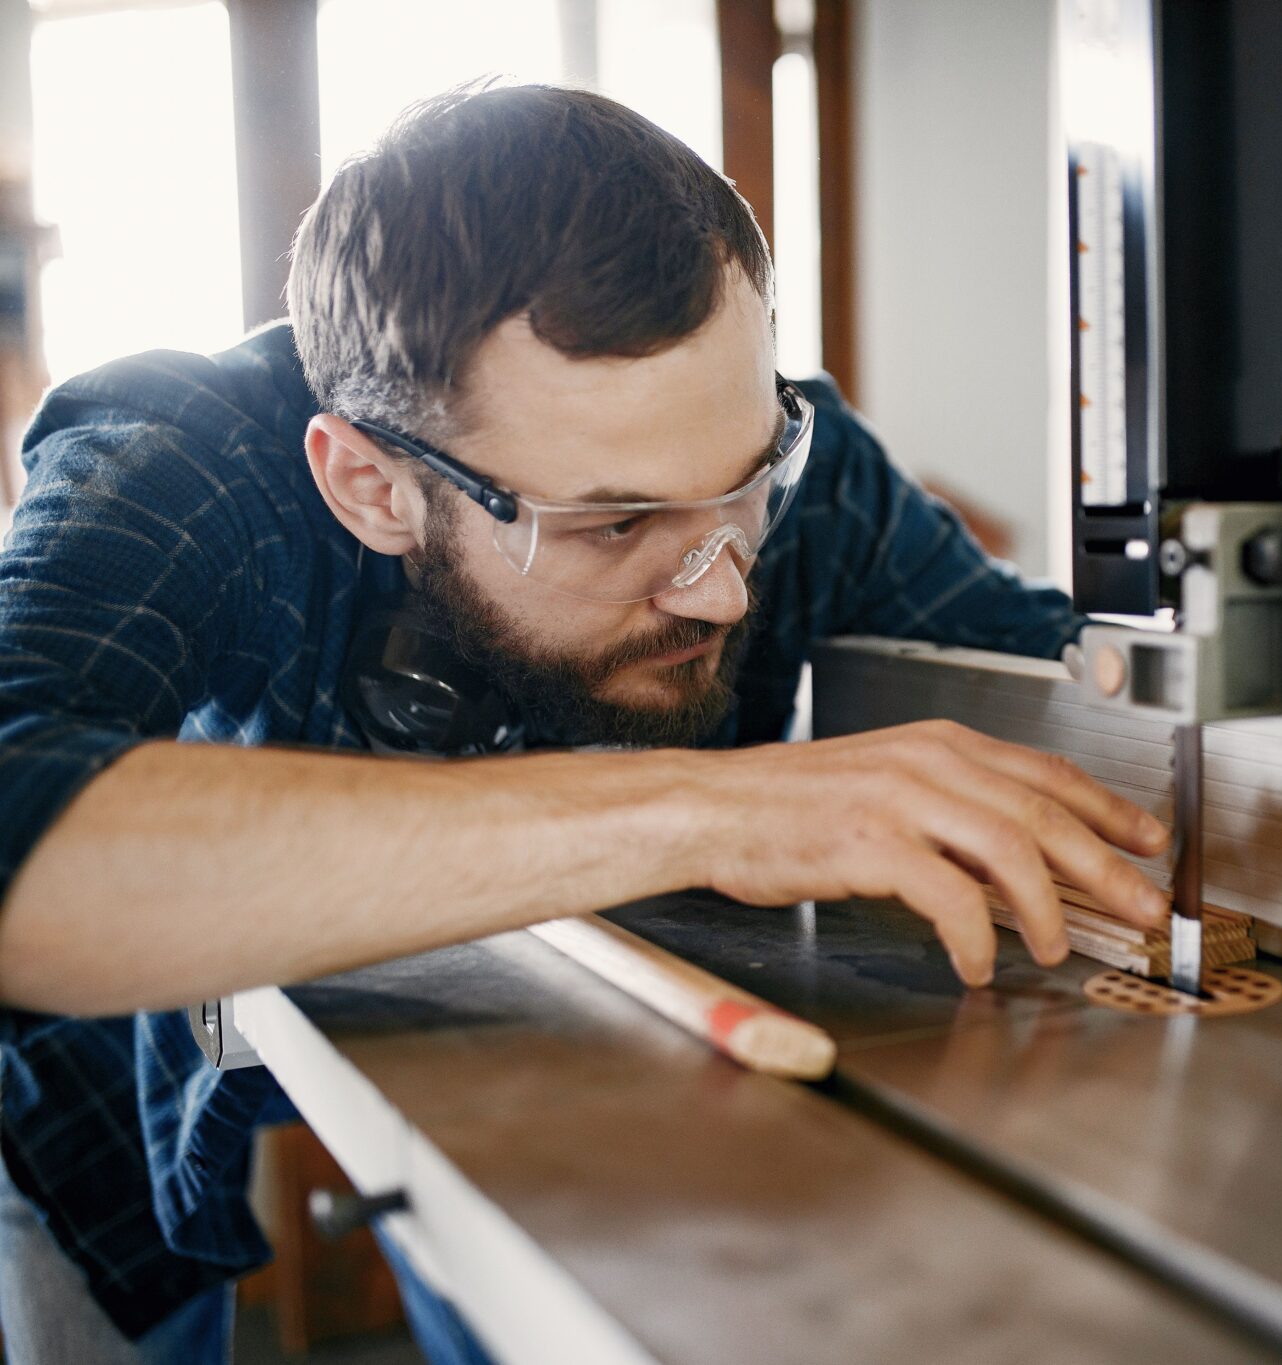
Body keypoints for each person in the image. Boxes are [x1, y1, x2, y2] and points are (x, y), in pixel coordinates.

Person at [0, 84, 1169, 1364]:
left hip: (529, 1057)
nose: (722, 584)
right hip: (117, 1086)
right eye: (616, 525)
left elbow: (1079, 692)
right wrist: (713, 810)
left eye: (745, 486)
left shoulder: (803, 462)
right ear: (372, 487)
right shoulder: (180, 452)